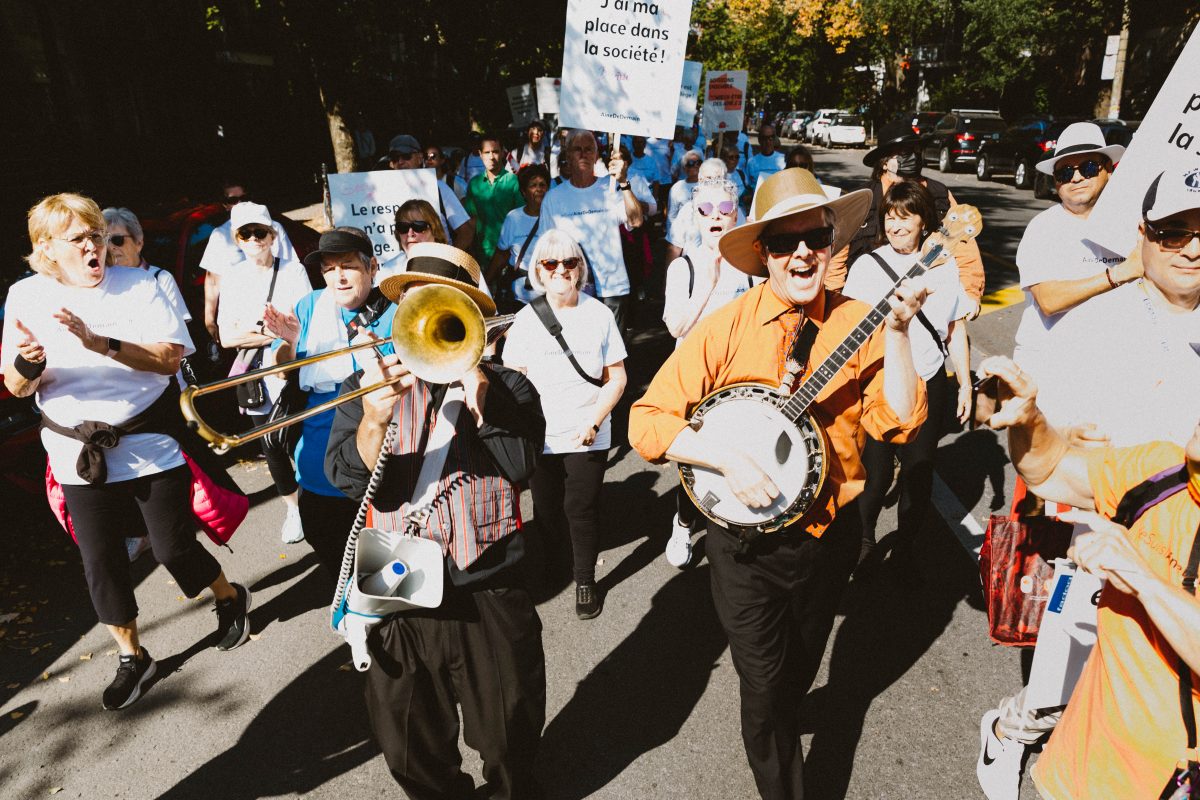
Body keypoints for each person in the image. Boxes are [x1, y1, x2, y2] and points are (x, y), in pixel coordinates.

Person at [629, 168, 929, 798]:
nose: (802, 255)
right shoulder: (725, 327)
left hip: (829, 538)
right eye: (784, 243)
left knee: (794, 672)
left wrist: (898, 334)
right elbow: (647, 422)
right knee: (763, 691)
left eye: (815, 238)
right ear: (763, 252)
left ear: (832, 244)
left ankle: (788, 711)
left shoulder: (860, 321)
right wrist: (724, 460)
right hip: (744, 550)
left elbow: (900, 422)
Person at [974, 167, 1200, 800]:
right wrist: (1056, 432)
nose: (1192, 247)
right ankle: (1011, 731)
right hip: (1099, 541)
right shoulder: (1094, 324)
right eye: (1173, 231)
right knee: (1058, 691)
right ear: (1143, 235)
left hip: (1189, 561)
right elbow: (1042, 447)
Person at [2, 193, 251, 711]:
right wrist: (28, 363)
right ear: (47, 249)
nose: (95, 247)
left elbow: (166, 360)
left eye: (97, 235)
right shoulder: (25, 297)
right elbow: (16, 386)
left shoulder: (142, 284)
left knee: (172, 548)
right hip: (76, 452)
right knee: (102, 562)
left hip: (147, 441)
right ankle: (134, 658)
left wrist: (101, 343)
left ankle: (229, 598)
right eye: (80, 239)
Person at [325, 241, 547, 800]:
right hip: (397, 579)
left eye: (448, 306)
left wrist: (485, 398)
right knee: (405, 743)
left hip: (486, 579)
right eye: (420, 304)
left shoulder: (510, 385)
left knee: (508, 733)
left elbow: (522, 466)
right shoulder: (370, 386)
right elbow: (349, 479)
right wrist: (374, 416)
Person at [841, 182, 974, 570]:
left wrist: (964, 383)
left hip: (929, 381)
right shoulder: (867, 266)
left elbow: (956, 328)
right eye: (889, 218)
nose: (896, 226)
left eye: (905, 218)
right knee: (876, 474)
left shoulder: (944, 265)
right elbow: (847, 331)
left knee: (918, 474)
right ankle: (863, 542)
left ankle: (905, 550)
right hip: (880, 384)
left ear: (923, 222)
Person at [502, 230, 628, 619]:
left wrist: (594, 420)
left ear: (580, 269)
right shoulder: (525, 320)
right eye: (550, 263)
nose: (560, 270)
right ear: (538, 271)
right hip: (542, 435)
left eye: (569, 263)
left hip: (586, 430)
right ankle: (556, 562)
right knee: (545, 507)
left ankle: (585, 579)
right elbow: (513, 376)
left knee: (581, 507)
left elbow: (617, 378)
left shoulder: (599, 314)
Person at [262, 227, 395, 580]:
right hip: (317, 464)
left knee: (386, 570)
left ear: (372, 267)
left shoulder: (397, 311)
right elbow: (285, 368)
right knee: (334, 557)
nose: (337, 277)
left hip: (379, 464)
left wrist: (376, 354)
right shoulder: (310, 305)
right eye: (328, 268)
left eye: (348, 265)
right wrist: (290, 343)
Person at [660, 177, 760, 568]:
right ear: (694, 217)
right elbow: (674, 328)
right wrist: (708, 284)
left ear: (737, 214)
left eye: (724, 209)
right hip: (695, 381)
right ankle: (684, 522)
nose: (715, 217)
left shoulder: (752, 266)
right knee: (697, 460)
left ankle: (736, 524)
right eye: (705, 210)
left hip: (739, 380)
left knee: (738, 454)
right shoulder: (683, 267)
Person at [1011, 122, 1137, 396]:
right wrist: (1120, 273)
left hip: (1111, 370)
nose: (1076, 178)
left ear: (1109, 171)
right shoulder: (1043, 228)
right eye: (1065, 172)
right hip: (1048, 368)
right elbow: (1049, 300)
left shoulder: (1133, 225)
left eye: (1089, 167)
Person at [215, 202, 313, 543]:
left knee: (301, 436)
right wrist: (272, 330)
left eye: (260, 232)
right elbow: (227, 336)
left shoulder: (292, 271)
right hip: (255, 374)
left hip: (288, 366)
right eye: (246, 233)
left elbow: (302, 323)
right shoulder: (234, 277)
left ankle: (314, 498)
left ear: (273, 236)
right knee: (271, 444)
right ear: (237, 240)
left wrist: (257, 327)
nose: (254, 239)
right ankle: (293, 508)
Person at [830, 133, 984, 307]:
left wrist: (971, 295)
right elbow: (836, 259)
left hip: (925, 300)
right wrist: (835, 305)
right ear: (885, 162)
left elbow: (964, 246)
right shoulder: (862, 200)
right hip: (868, 303)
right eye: (904, 153)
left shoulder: (939, 195)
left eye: (916, 150)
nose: (913, 157)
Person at [539, 130, 644, 331]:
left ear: (596, 156)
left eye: (589, 149)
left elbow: (637, 220)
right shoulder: (553, 198)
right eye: (577, 149)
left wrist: (624, 182)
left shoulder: (611, 187)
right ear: (567, 155)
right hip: (572, 291)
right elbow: (546, 249)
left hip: (612, 289)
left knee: (613, 357)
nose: (584, 154)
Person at [199, 179, 297, 349]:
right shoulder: (220, 235)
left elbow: (291, 269)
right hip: (242, 318)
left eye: (244, 198)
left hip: (277, 312)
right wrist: (209, 318)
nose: (240, 203)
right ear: (225, 205)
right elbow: (214, 280)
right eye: (233, 200)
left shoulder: (274, 228)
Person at [387, 134, 475, 251]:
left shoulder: (438, 188)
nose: (400, 162)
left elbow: (466, 232)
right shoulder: (383, 193)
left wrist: (448, 262)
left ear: (419, 158)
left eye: (406, 156)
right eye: (395, 158)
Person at [488, 164, 550, 307]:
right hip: (518, 298)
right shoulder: (514, 217)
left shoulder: (554, 217)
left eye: (542, 185)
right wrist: (486, 281)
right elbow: (501, 254)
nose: (539, 189)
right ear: (523, 192)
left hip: (548, 296)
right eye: (533, 185)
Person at [667, 158, 748, 263]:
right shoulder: (687, 210)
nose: (713, 183)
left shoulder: (734, 211)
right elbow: (675, 248)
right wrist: (669, 278)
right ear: (700, 180)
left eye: (718, 178)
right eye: (709, 178)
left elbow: (741, 247)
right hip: (692, 271)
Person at [464, 134, 523, 267]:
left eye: (495, 151)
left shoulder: (513, 181)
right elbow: (471, 221)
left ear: (502, 153)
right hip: (481, 254)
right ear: (480, 154)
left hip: (508, 253)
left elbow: (520, 218)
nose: (491, 157)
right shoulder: (474, 184)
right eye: (487, 152)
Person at [744, 124, 786, 190]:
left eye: (771, 137)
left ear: (775, 139)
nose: (768, 141)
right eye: (764, 138)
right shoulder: (752, 162)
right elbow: (748, 186)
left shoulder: (783, 159)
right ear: (759, 140)